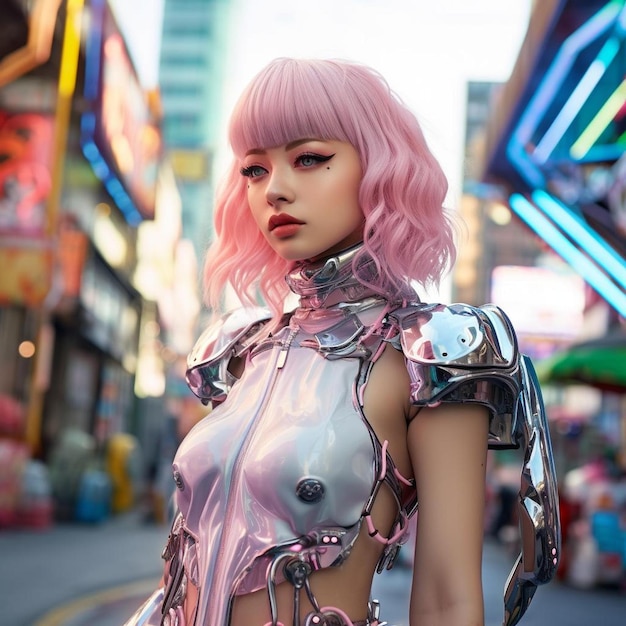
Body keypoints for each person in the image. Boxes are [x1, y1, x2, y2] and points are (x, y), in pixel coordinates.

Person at [124, 58, 560, 626]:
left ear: (378, 167)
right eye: (254, 170)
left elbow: (449, 599)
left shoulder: (431, 352)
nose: (275, 190)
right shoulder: (238, 350)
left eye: (309, 159)